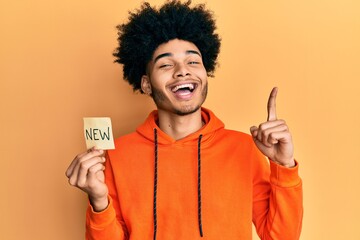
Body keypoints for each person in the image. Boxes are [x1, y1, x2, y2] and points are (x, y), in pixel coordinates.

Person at [66, 1, 303, 239]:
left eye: (193, 62)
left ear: (205, 73)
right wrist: (98, 201)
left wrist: (285, 167)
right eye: (166, 64)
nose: (182, 71)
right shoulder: (117, 155)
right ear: (146, 84)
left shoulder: (244, 149)